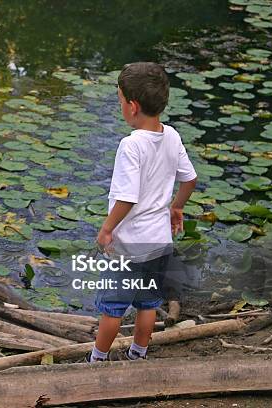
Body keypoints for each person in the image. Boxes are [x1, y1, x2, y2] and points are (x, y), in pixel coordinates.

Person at [87, 62, 197, 362]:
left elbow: (127, 198)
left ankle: (97, 359)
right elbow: (190, 178)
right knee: (148, 302)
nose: (120, 106)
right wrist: (176, 207)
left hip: (130, 246)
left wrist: (107, 229)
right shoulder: (172, 136)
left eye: (120, 100)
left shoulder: (131, 145)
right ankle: (138, 354)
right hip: (159, 242)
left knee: (112, 307)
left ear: (132, 106)